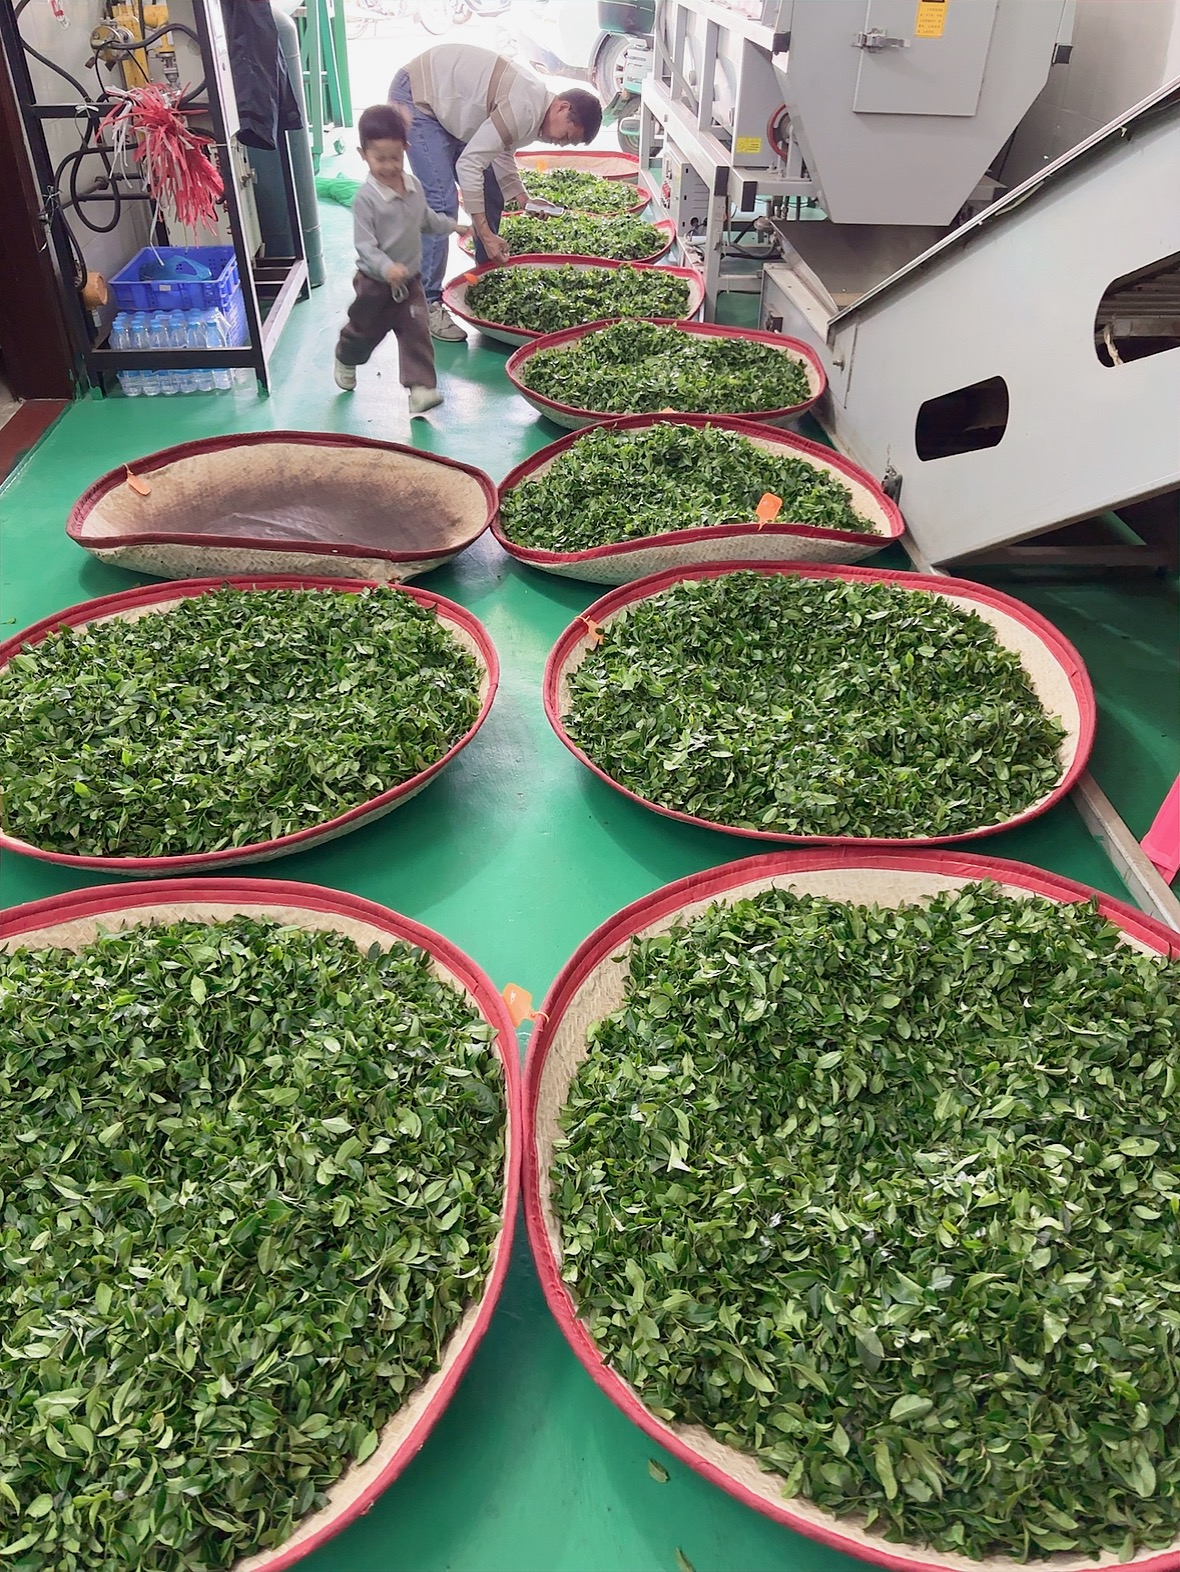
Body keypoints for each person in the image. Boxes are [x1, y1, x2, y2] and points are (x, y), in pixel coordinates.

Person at [390, 43, 603, 341]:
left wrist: (523, 199)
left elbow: (500, 150)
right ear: (562, 107)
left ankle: (487, 272)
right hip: (419, 98)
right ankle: (426, 303)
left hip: (450, 107)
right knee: (441, 201)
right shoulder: (525, 108)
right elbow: (469, 165)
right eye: (565, 136)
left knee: (491, 188)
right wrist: (485, 232)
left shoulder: (536, 110)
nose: (560, 144)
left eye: (567, 143)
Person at [333, 103, 471, 416]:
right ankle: (346, 357)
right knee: (364, 333)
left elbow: (425, 219)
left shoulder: (413, 187)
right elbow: (365, 246)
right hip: (374, 285)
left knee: (416, 332)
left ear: (406, 149)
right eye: (379, 158)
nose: (388, 166)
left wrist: (453, 226)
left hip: (410, 283)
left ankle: (420, 388)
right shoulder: (366, 200)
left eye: (395, 158)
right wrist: (386, 267)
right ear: (363, 154)